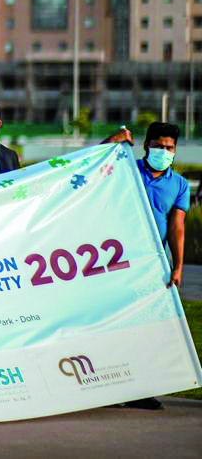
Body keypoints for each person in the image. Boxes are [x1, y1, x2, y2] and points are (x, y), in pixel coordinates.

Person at [104, 121, 188, 411]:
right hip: (116, 261)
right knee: (114, 325)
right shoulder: (125, 168)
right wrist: (111, 141)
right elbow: (89, 168)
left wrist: (178, 266)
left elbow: (177, 227)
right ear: (146, 145)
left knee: (146, 328)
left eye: (169, 148)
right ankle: (108, 386)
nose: (163, 151)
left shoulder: (179, 184)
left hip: (153, 264)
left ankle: (140, 390)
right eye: (158, 146)